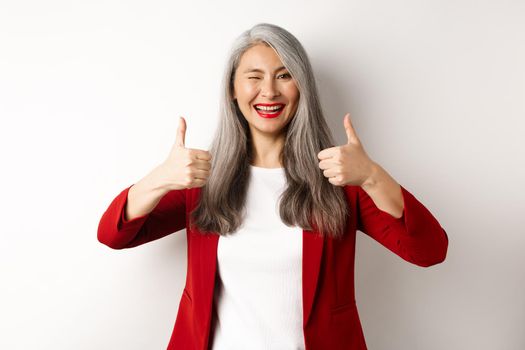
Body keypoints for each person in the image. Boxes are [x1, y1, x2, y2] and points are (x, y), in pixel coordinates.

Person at [97, 22, 449, 350]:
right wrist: (160, 178)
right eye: (254, 77)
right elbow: (114, 235)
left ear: (302, 88)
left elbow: (429, 251)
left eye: (284, 75)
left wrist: (373, 175)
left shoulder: (339, 181)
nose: (269, 91)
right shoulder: (203, 182)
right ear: (233, 90)